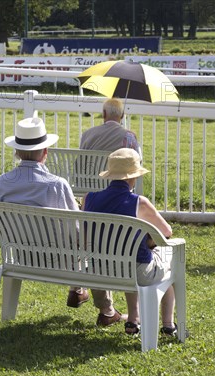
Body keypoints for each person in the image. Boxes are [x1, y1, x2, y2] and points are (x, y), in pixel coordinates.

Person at [82, 148, 177, 336]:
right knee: (168, 265)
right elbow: (167, 232)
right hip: (134, 271)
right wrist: (149, 241)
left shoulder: (89, 198)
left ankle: (134, 320)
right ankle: (168, 325)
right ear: (133, 176)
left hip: (100, 269)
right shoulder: (139, 203)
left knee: (129, 256)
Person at [66, 98, 141, 311]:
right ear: (123, 116)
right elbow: (136, 165)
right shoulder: (128, 136)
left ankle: (78, 288)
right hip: (116, 195)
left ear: (104, 114)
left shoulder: (87, 134)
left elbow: (79, 165)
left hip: (88, 196)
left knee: (91, 241)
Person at [0, 117, 78, 225]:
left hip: (11, 241)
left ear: (17, 152)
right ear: (45, 151)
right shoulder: (57, 185)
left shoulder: (2, 182)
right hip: (51, 242)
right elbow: (76, 226)